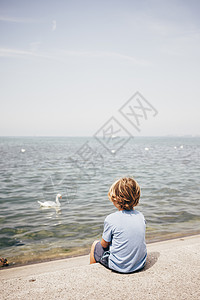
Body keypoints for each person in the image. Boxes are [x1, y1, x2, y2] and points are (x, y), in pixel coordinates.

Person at [90, 177, 147, 273]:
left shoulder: (111, 219)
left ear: (115, 199)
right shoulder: (140, 216)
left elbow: (104, 245)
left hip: (119, 266)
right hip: (140, 264)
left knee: (95, 245)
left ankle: (92, 273)